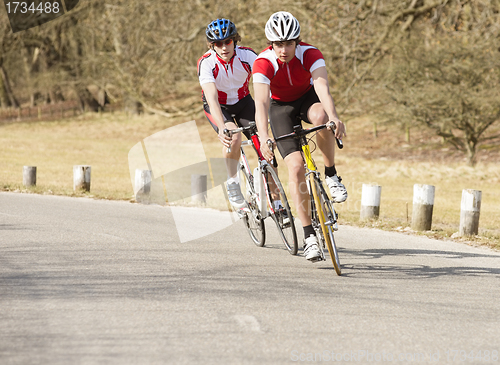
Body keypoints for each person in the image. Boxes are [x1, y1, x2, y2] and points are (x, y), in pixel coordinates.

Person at [253, 11, 348, 262]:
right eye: (278, 44)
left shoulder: (310, 54)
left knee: (321, 119)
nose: (284, 50)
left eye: (289, 43)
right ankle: (309, 237)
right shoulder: (263, 63)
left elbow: (322, 88)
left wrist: (334, 116)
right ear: (270, 45)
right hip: (280, 108)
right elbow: (261, 104)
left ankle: (331, 175)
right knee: (295, 167)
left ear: (297, 41)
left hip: (307, 99)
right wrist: (263, 137)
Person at [197, 18, 258, 210]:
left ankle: (276, 201)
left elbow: (265, 85)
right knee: (233, 135)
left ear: (235, 40)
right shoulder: (206, 63)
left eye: (228, 42)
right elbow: (212, 98)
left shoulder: (248, 56)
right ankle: (232, 182)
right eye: (218, 43)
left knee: (264, 143)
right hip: (219, 106)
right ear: (212, 45)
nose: (224, 47)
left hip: (243, 101)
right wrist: (222, 128)